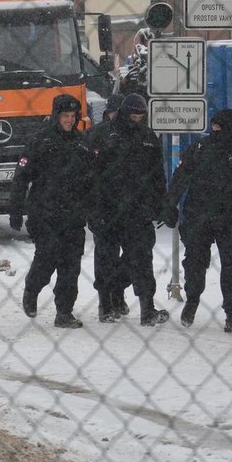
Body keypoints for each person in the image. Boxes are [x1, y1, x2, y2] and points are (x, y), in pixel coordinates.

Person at [162, 108, 232, 335]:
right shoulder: (200, 149)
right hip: (198, 215)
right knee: (194, 262)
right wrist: (170, 205)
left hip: (230, 217)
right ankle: (192, 301)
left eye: (219, 127)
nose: (215, 130)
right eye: (213, 126)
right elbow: (180, 178)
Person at [8, 94, 92, 328]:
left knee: (71, 265)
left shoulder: (81, 142)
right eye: (65, 116)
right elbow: (21, 177)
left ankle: (64, 312)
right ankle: (32, 289)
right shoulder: (40, 140)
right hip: (45, 212)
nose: (69, 120)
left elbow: (91, 179)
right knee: (47, 258)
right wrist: (16, 209)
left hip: (73, 214)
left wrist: (93, 208)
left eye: (72, 116)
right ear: (56, 116)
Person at [89, 93, 170, 326]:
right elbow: (88, 177)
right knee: (106, 257)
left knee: (142, 257)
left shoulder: (148, 137)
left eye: (140, 116)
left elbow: (158, 176)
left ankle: (147, 308)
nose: (136, 120)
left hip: (139, 210)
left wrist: (160, 204)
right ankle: (106, 304)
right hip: (107, 210)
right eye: (133, 115)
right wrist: (92, 210)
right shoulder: (102, 135)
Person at [85, 93, 131, 322]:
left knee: (134, 255)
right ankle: (106, 302)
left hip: (130, 206)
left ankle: (117, 291)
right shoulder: (95, 135)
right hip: (103, 206)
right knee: (106, 255)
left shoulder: (134, 135)